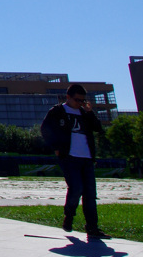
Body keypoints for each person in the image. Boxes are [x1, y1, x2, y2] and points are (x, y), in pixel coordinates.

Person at [41, 84, 112, 240]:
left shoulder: (84, 112)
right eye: (77, 100)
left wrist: (89, 112)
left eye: (82, 100)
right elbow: (45, 129)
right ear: (68, 97)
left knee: (90, 194)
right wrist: (56, 147)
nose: (79, 103)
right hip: (69, 157)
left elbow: (98, 128)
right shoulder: (58, 112)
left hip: (86, 158)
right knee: (76, 188)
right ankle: (69, 215)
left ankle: (92, 228)